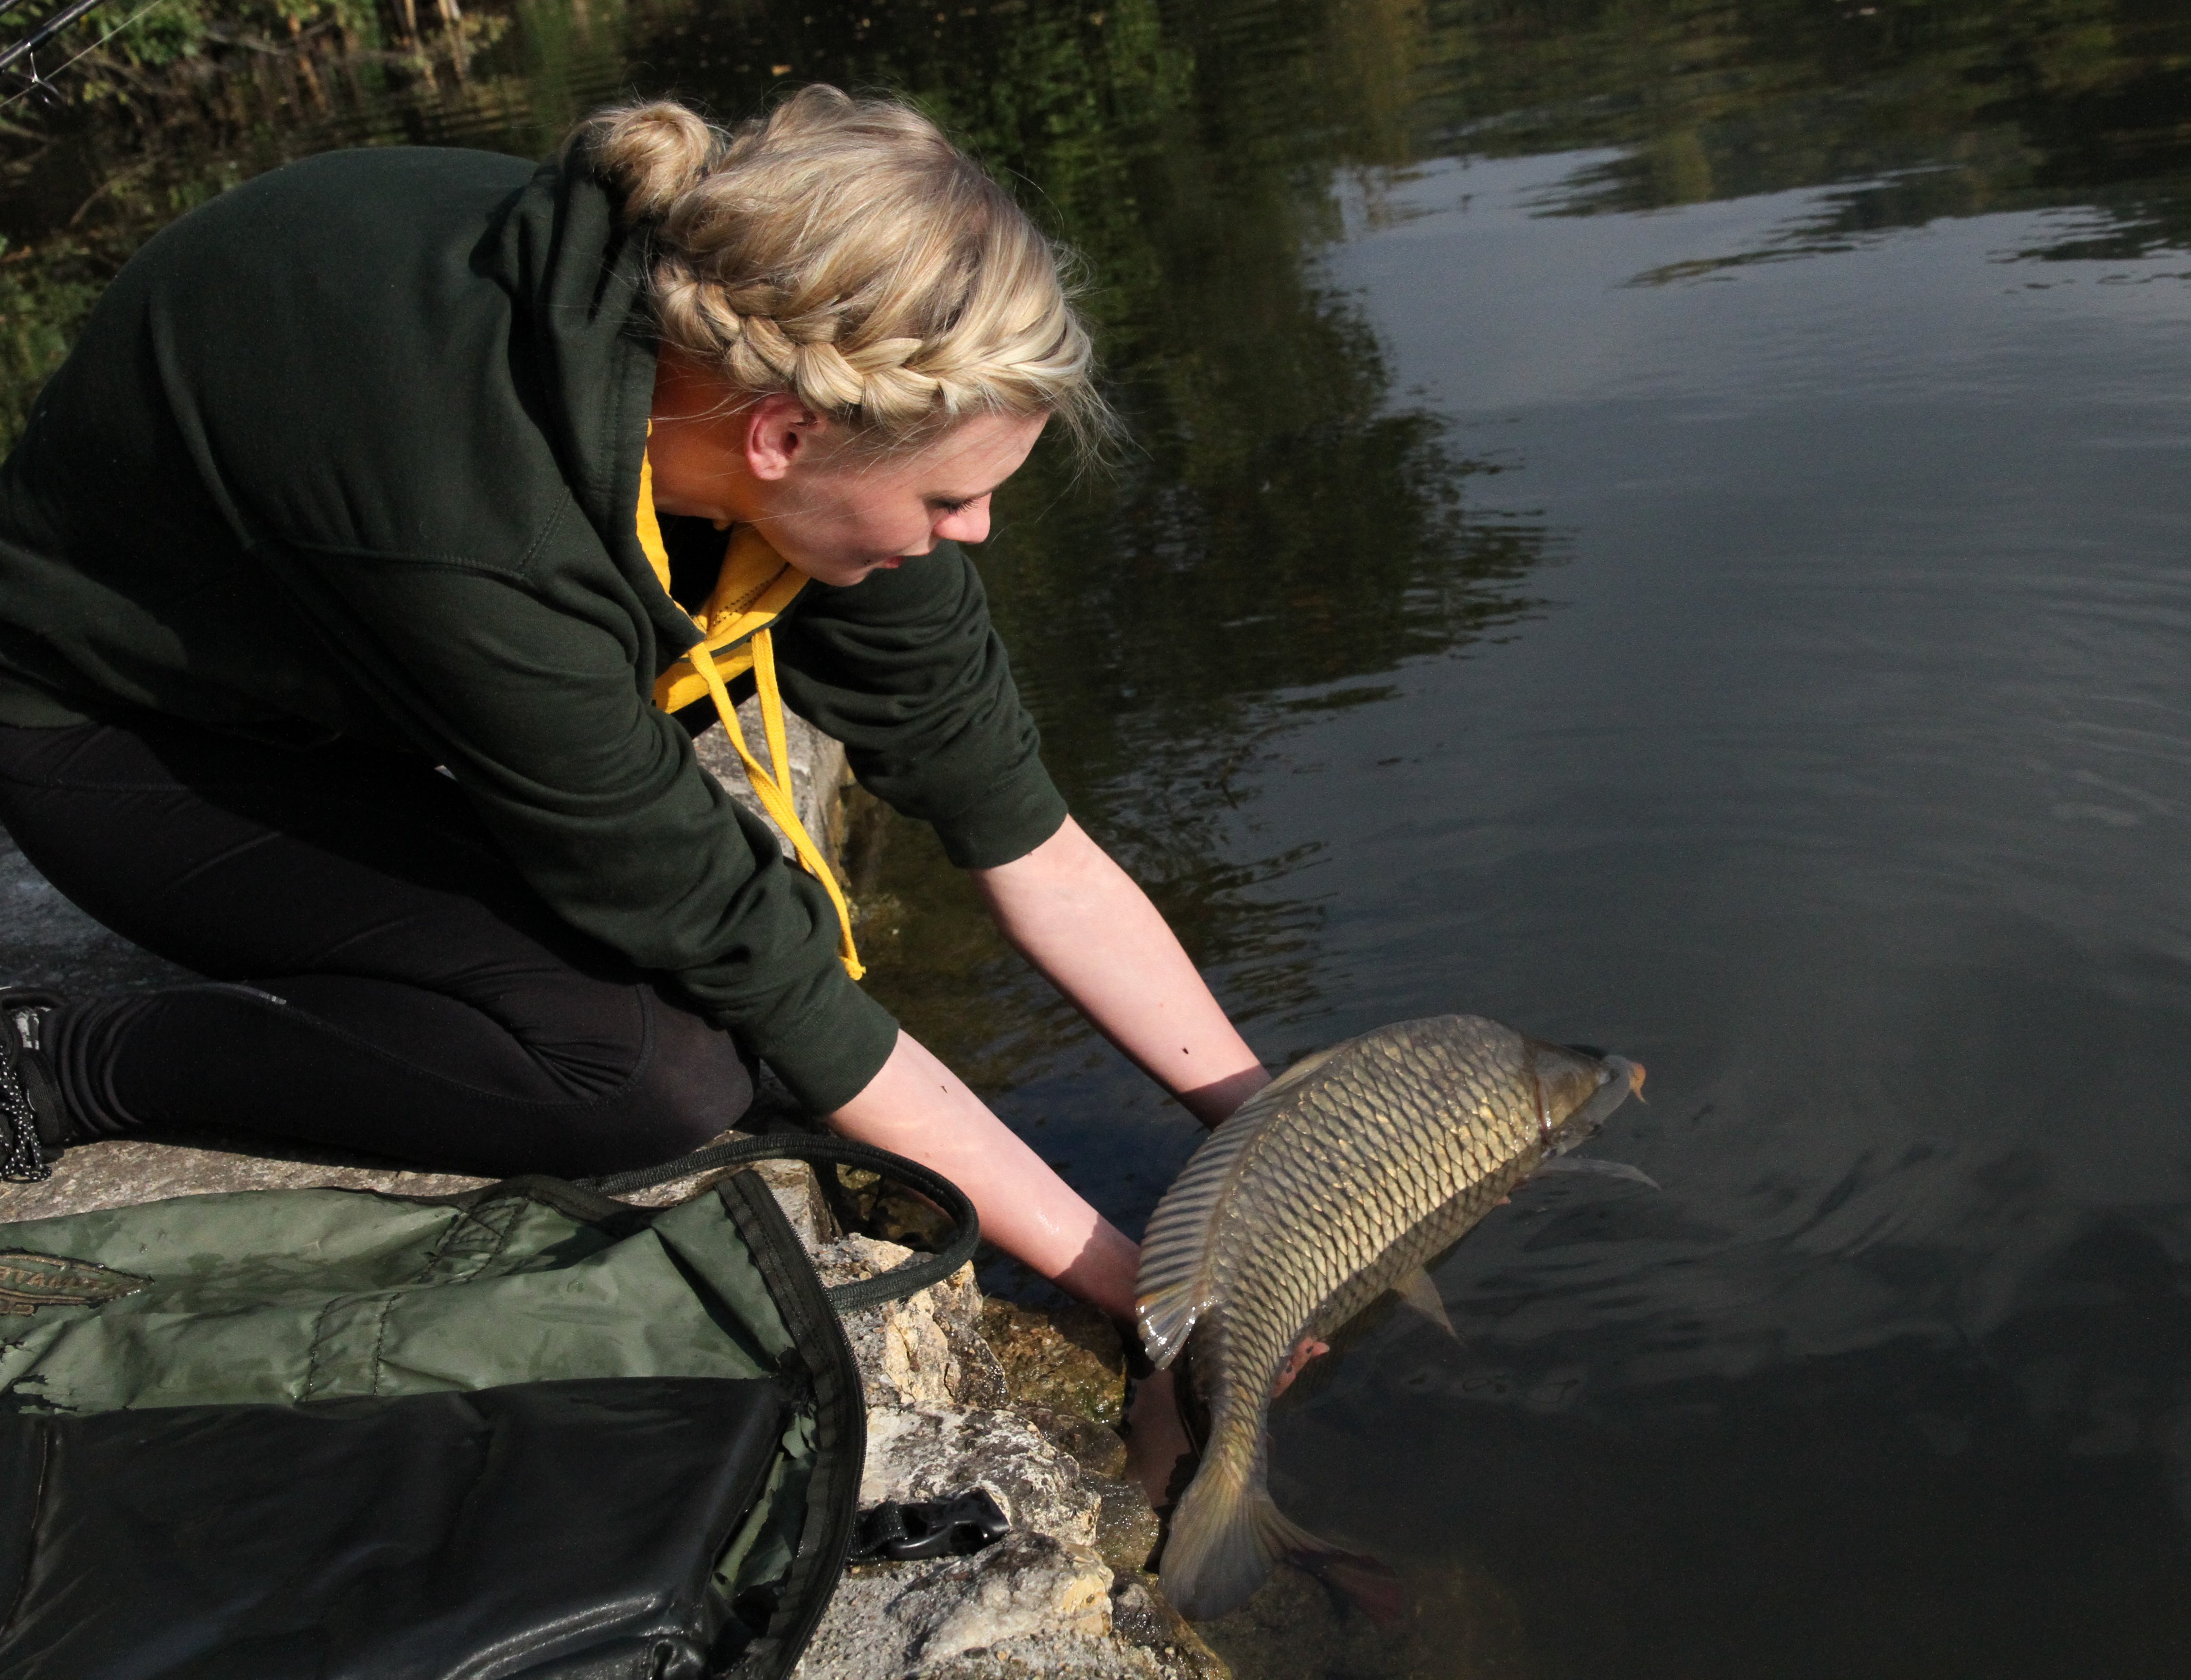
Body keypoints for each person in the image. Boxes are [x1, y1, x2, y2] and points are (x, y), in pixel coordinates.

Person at [0, 88, 1274, 1348]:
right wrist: (1148, 1295)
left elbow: (1023, 834)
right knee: (643, 1076)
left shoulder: (748, 373)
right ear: (786, 435)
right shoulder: (485, 536)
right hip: (111, 729)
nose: (974, 534)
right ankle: (69, 1061)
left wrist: (1272, 1132)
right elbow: (765, 973)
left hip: (348, 661)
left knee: (694, 1012)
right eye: (948, 503)